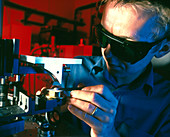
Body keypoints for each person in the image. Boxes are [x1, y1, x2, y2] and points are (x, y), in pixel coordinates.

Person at [55, 0, 170, 136]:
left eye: (125, 48)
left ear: (163, 49)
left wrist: (108, 133)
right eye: (103, 36)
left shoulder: (165, 105)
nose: (107, 53)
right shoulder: (73, 70)